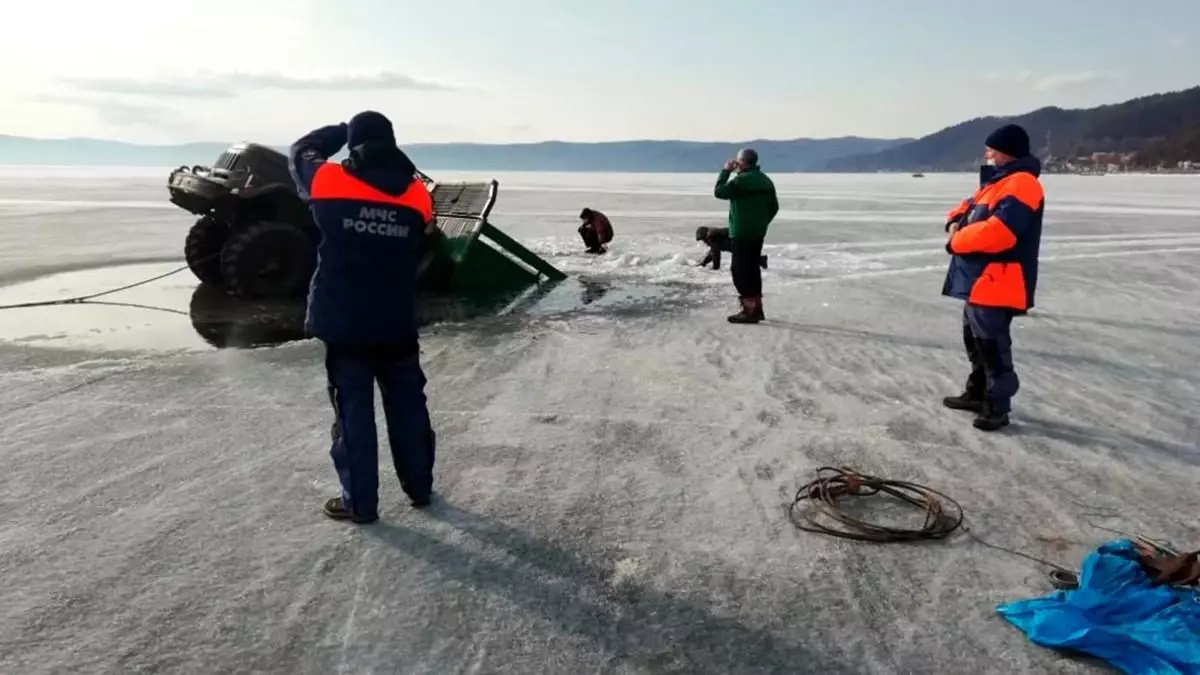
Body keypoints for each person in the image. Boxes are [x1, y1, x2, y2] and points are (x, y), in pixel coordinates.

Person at [288, 111, 437, 523]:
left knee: (353, 408)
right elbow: (424, 243)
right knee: (408, 403)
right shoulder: (417, 194)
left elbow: (301, 150)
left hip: (344, 318)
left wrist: (340, 132)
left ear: (355, 144)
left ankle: (361, 502)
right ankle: (420, 488)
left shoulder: (329, 180)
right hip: (396, 318)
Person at [942, 123, 1044, 431]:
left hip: (997, 280)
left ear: (1006, 152)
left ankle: (997, 406)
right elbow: (963, 209)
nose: (986, 155)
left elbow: (1001, 233)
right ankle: (977, 393)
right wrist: (954, 223)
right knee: (974, 342)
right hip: (977, 280)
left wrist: (956, 240)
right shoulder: (996, 183)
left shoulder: (1022, 184)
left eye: (991, 150)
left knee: (992, 347)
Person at [713, 148, 779, 323]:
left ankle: (750, 311)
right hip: (758, 232)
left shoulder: (741, 181)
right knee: (752, 270)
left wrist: (726, 171)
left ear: (741, 162)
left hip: (741, 232)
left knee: (740, 271)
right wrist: (761, 222)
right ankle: (756, 308)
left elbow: (719, 191)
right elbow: (774, 207)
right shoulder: (766, 181)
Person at [695, 225, 767, 271]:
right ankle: (761, 260)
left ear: (705, 236)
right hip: (742, 237)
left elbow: (716, 254)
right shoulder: (713, 235)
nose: (704, 242)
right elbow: (712, 253)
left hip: (738, 240)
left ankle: (760, 260)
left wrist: (715, 268)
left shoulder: (711, 237)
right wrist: (704, 263)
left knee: (742, 259)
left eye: (703, 240)